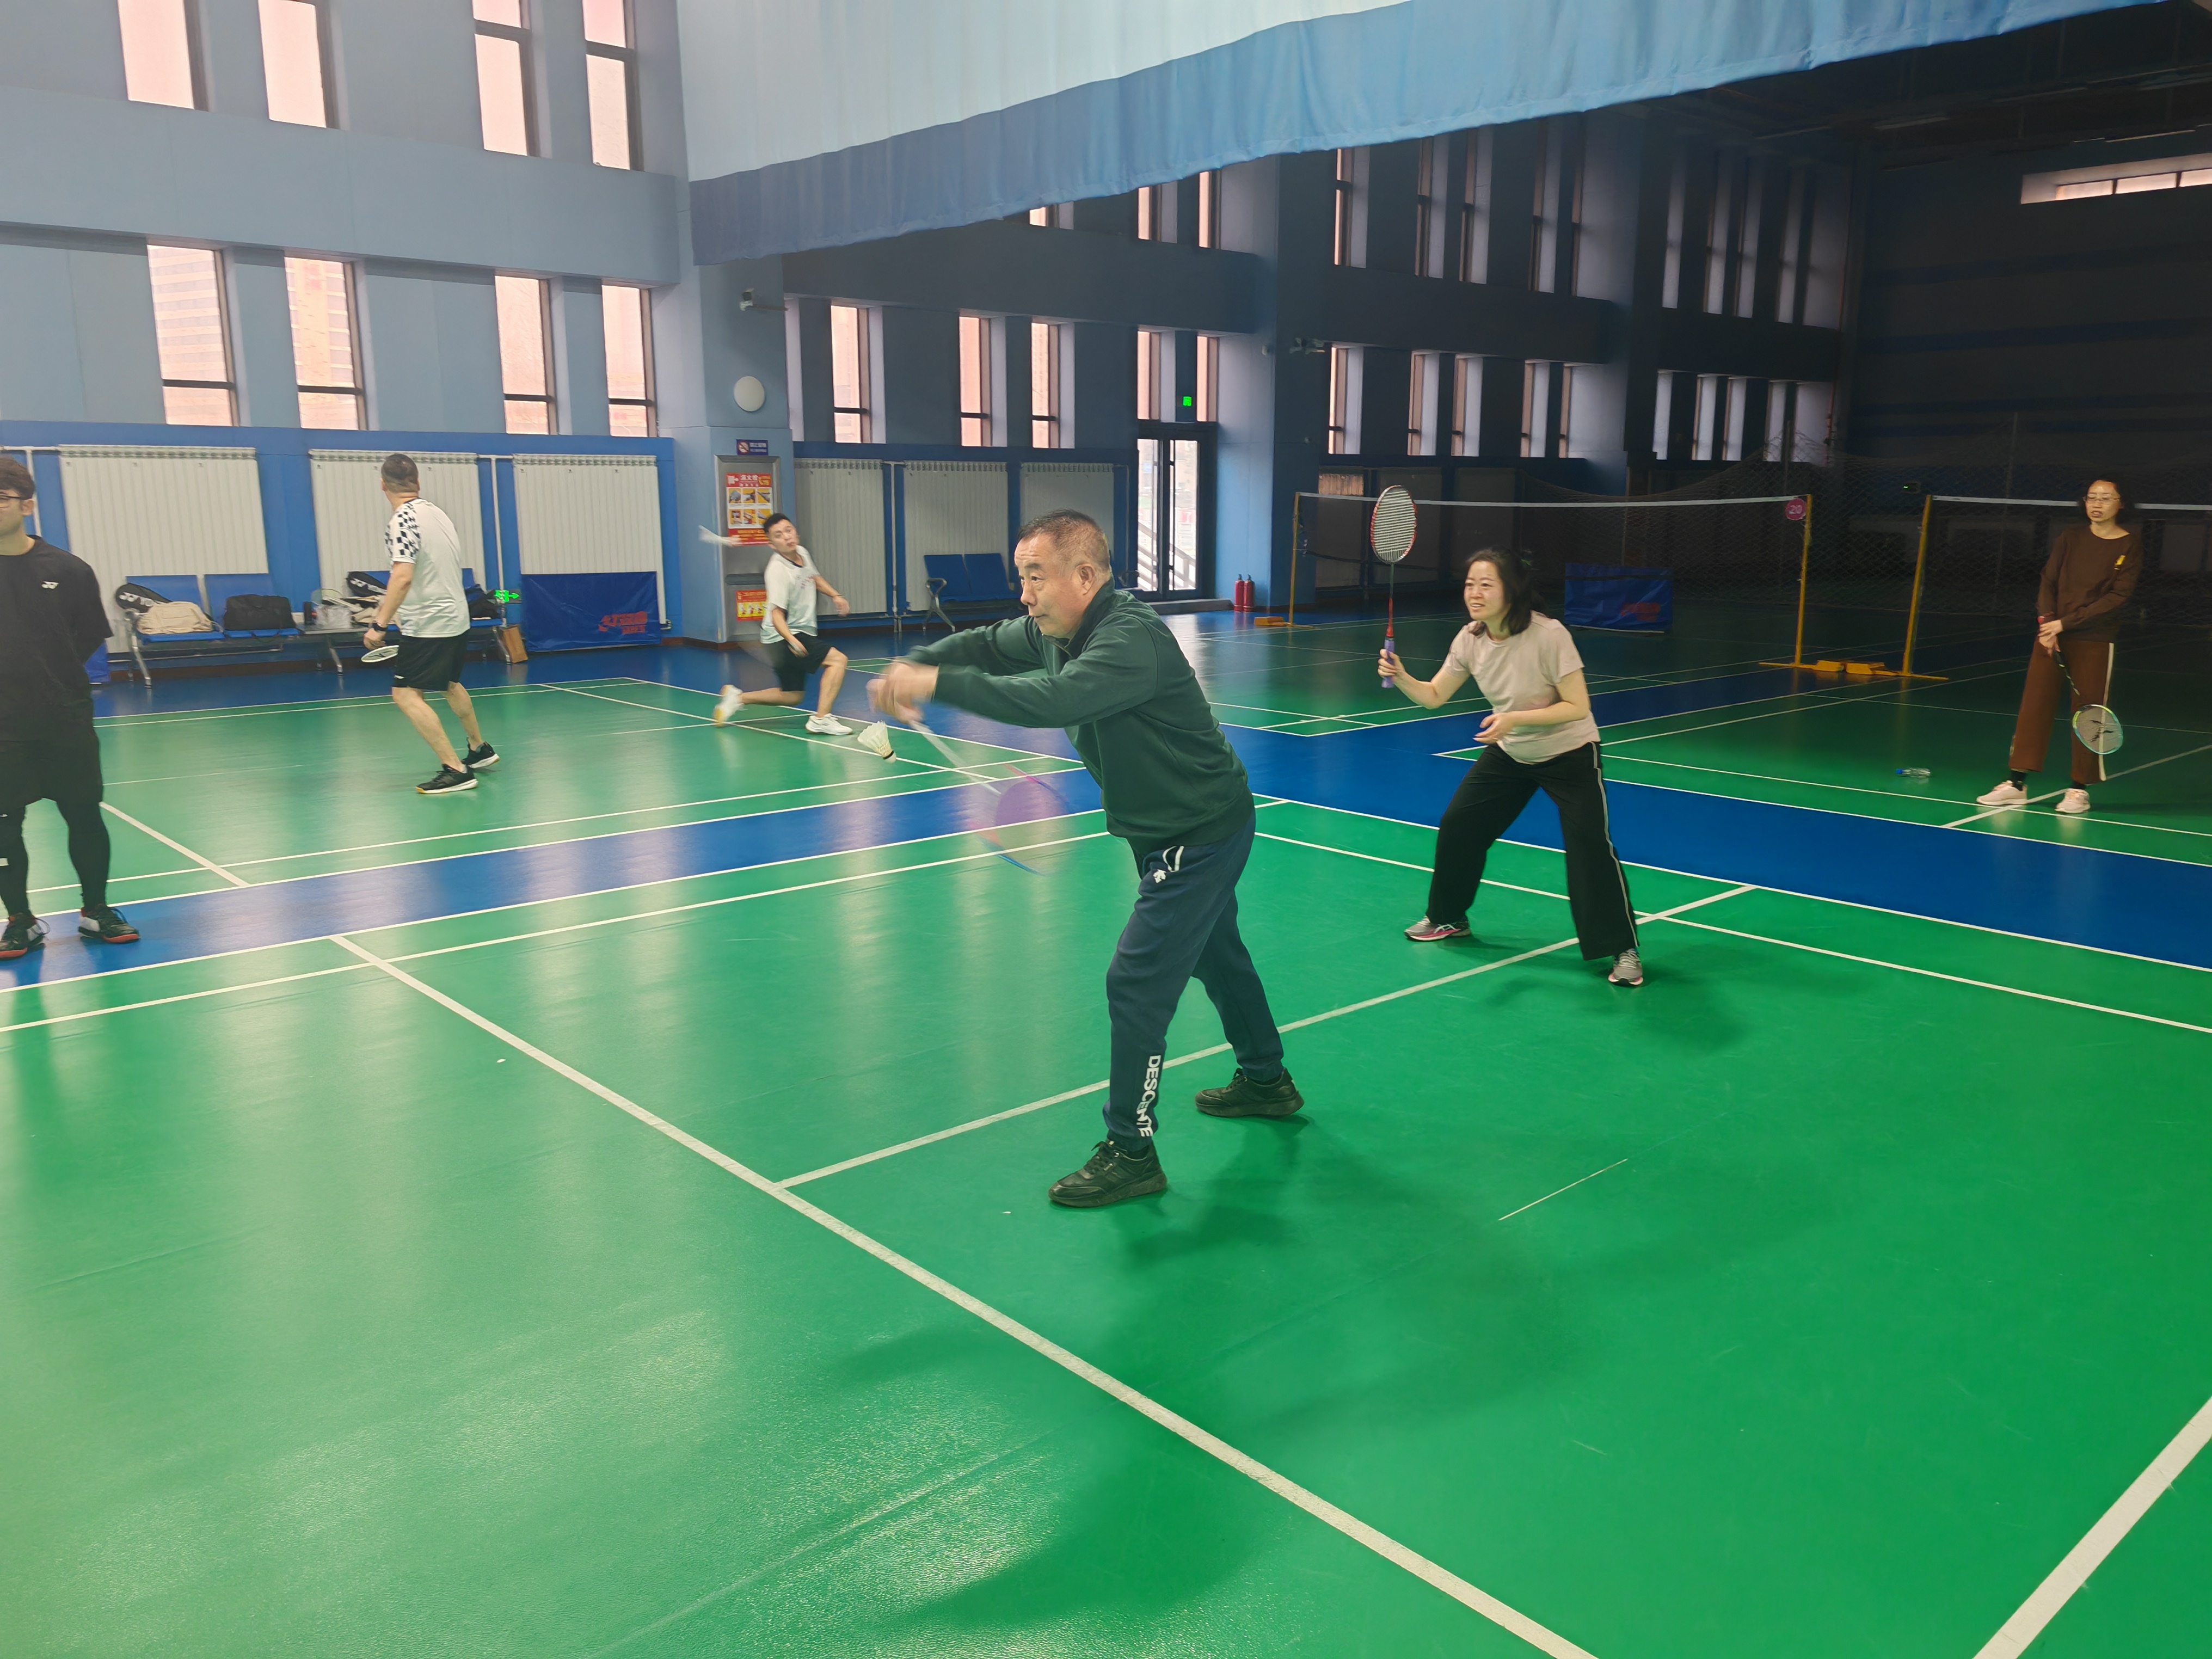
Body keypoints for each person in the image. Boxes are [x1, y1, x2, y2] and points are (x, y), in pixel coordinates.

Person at [871, 511, 1300, 1208]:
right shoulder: (1051, 631)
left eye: (1035, 577)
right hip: (1159, 827)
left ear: (1084, 575)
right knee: (1215, 955)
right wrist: (922, 661)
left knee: (1136, 982)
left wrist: (935, 686)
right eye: (1021, 579)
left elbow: (1056, 699)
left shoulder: (1129, 640)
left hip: (1200, 829)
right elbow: (984, 644)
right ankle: (1266, 1080)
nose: (1025, 595)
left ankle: (1130, 1151)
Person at [1380, 550, 1642, 987]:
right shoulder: (1470, 639)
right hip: (1512, 750)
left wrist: (1514, 719)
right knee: (1460, 824)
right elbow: (1434, 696)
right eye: (1470, 584)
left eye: (1487, 584)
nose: (1475, 593)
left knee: (1590, 847)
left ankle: (1623, 948)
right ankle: (1448, 917)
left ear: (1512, 590)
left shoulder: (1548, 635)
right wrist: (1403, 675)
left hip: (1569, 752)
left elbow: (1578, 706)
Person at [0, 456, 139, 958]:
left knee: (84, 815)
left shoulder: (69, 570)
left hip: (65, 718)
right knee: (3, 826)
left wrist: (50, 674)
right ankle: (20, 919)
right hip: (3, 728)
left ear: (27, 506)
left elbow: (86, 636)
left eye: (1, 499)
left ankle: (96, 909)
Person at [1975, 478, 2140, 816]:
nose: (2097, 504)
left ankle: (2079, 789)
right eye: (2092, 498)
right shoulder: (2070, 538)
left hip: (2094, 638)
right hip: (2051, 635)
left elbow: (2118, 596)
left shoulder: (2130, 545)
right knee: (2034, 706)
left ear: (2121, 504)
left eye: (2106, 498)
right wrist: (2047, 623)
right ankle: (2016, 784)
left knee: (2090, 714)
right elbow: (2048, 580)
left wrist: (2067, 623)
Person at [364, 453, 496, 795]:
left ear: (383, 485)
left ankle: (456, 770)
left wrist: (379, 624)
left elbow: (403, 576)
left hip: (429, 624)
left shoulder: (402, 521)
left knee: (405, 694)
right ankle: (479, 749)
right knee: (450, 683)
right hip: (456, 616)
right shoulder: (437, 513)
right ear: (418, 482)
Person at [706, 514, 854, 733]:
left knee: (793, 695)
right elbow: (776, 613)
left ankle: (738, 698)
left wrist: (835, 596)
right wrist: (791, 640)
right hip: (784, 633)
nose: (786, 537)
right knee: (838, 661)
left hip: (790, 634)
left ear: (796, 532)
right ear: (772, 544)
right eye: (778, 535)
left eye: (788, 530)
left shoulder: (802, 552)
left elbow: (814, 577)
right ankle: (821, 720)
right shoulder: (777, 570)